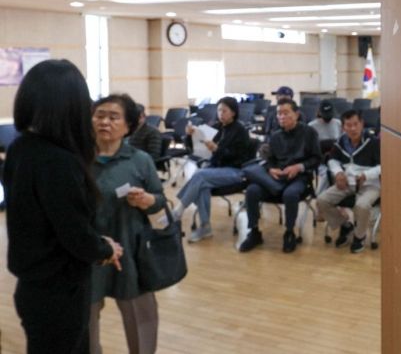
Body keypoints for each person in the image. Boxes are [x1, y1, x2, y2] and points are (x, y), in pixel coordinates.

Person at [4, 59, 123, 354]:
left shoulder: (21, 148)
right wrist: (106, 249)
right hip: (58, 291)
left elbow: (51, 221)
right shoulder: (58, 161)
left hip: (33, 285)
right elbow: (75, 234)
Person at [89, 93, 167, 354]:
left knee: (140, 315)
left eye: (114, 117)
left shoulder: (140, 160)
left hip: (132, 249)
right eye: (99, 116)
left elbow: (159, 201)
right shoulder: (78, 159)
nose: (105, 122)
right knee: (85, 319)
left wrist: (147, 200)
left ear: (128, 126)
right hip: (90, 250)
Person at [239, 98, 321, 253]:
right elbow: (268, 159)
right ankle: (254, 231)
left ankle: (289, 232)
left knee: (290, 194)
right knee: (252, 190)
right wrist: (271, 169)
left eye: (286, 113)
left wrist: (298, 167)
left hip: (299, 177)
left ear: (296, 114)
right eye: (279, 113)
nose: (281, 117)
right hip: (277, 178)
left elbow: (317, 159)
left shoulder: (309, 132)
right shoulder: (275, 135)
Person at [173, 96, 255, 242]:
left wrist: (217, 149)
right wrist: (189, 136)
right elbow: (196, 149)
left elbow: (238, 157)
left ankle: (177, 211)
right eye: (219, 110)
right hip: (216, 169)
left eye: (224, 111)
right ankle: (205, 227)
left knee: (200, 175)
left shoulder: (240, 130)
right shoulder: (216, 127)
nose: (221, 114)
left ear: (233, 112)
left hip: (235, 170)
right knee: (203, 184)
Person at [317, 109, 381, 253]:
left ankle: (360, 236)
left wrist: (367, 174)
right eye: (348, 125)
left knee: (362, 205)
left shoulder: (373, 142)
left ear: (362, 124)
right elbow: (332, 160)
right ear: (343, 127)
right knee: (322, 200)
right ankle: (345, 225)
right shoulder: (340, 142)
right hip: (347, 182)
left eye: (356, 124)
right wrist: (338, 173)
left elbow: (384, 166)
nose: (353, 128)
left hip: (370, 184)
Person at [308, 99, 342, 194]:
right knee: (325, 173)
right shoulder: (311, 126)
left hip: (336, 157)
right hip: (320, 159)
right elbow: (310, 148)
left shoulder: (338, 123)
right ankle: (320, 196)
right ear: (319, 113)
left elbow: (342, 142)